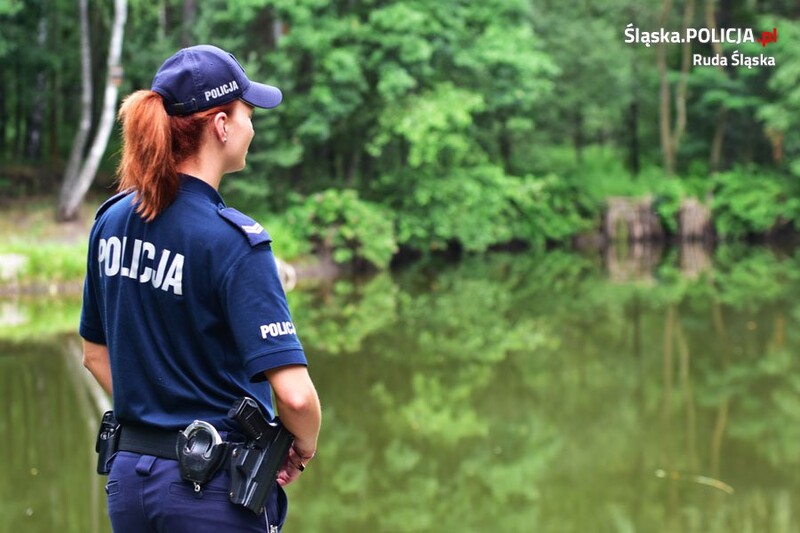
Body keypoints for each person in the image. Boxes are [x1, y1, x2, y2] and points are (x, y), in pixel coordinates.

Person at [79, 44, 321, 533]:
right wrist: (303, 445)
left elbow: (95, 355)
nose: (253, 127)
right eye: (248, 113)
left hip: (129, 486)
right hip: (212, 494)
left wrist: (161, 422)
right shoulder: (234, 242)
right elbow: (295, 398)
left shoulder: (111, 221)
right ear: (221, 125)